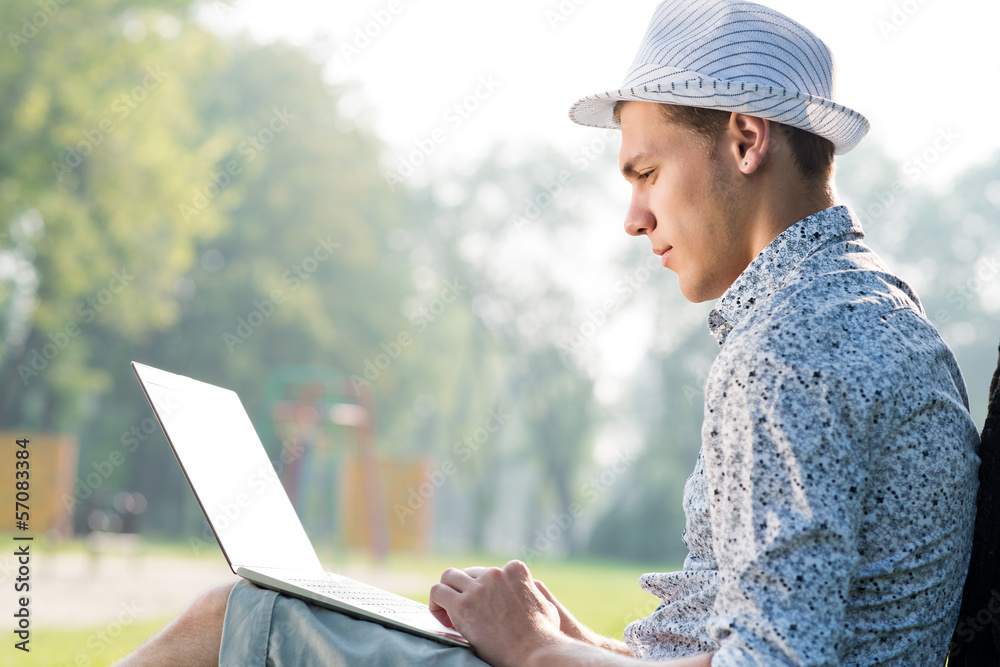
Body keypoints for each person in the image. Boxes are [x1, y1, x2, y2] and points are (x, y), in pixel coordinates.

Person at [118, 1, 980, 665]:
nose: (634, 217)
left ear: (746, 139)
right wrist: (570, 641)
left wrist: (534, 651)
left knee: (239, 618)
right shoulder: (868, 312)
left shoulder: (793, 349)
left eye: (646, 171)